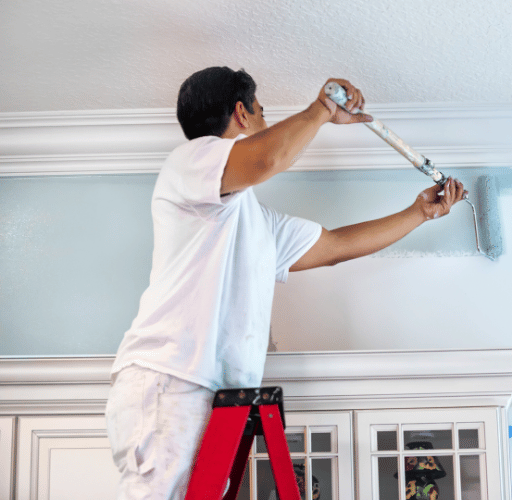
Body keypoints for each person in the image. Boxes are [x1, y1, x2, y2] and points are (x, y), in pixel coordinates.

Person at [104, 66, 466, 499]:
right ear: (241, 114)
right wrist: (321, 110)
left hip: (217, 394)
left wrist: (419, 213)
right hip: (172, 377)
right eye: (261, 112)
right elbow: (266, 158)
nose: (265, 123)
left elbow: (333, 246)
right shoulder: (189, 162)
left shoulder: (253, 222)